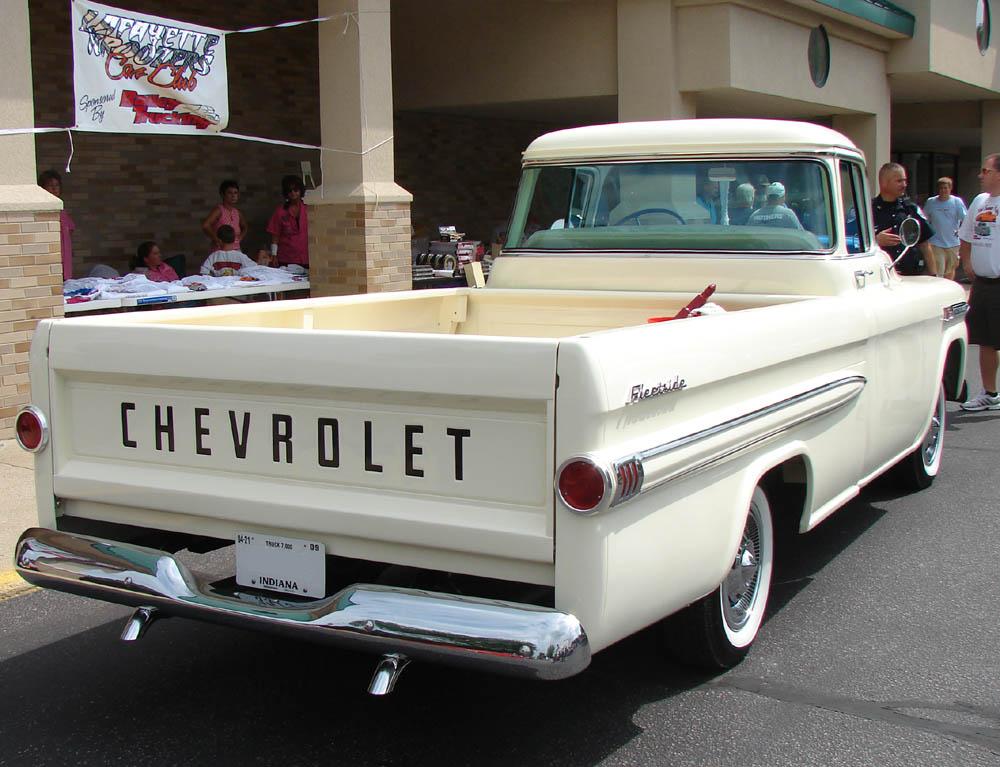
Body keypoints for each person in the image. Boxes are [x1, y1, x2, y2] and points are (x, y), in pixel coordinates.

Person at [959, 154, 1000, 411]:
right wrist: (966, 262)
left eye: (985, 170)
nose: (980, 175)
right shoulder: (979, 201)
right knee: (986, 340)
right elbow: (965, 236)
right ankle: (991, 393)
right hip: (983, 285)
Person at [872, 163, 936, 276]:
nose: (904, 184)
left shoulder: (911, 209)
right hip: (880, 277)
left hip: (911, 277)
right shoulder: (866, 210)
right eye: (899, 181)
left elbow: (925, 245)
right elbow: (852, 242)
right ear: (884, 183)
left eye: (905, 181)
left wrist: (934, 275)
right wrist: (875, 241)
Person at [923, 177, 967, 280]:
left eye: (945, 188)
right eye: (941, 188)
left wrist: (961, 232)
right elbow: (924, 219)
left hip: (953, 243)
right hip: (936, 242)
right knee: (939, 271)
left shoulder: (957, 202)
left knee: (950, 271)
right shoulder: (931, 202)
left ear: (950, 188)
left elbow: (965, 219)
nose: (943, 190)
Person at [38, 169, 76, 280]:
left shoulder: (61, 210)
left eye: (57, 185)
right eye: (50, 185)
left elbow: (70, 230)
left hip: (64, 257)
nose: (54, 188)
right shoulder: (43, 211)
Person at [266, 175, 309, 268]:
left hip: (306, 256)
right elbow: (275, 235)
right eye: (290, 190)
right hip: (286, 258)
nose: (293, 193)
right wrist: (274, 255)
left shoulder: (308, 209)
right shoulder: (280, 212)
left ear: (301, 190)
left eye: (296, 189)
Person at [202, 179, 248, 252]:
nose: (233, 196)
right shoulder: (219, 210)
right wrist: (216, 239)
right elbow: (205, 225)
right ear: (223, 194)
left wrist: (241, 237)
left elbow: (244, 226)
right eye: (229, 193)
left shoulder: (237, 212)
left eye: (235, 193)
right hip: (221, 250)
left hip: (236, 250)